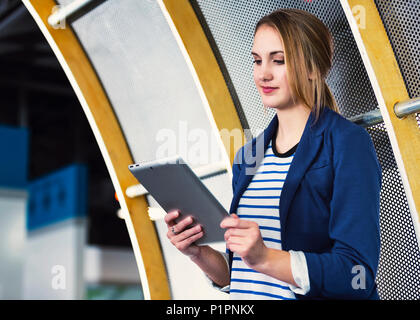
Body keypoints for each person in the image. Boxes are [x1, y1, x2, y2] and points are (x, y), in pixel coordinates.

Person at [164, 8, 382, 300]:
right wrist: (199, 253)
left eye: (278, 60)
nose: (263, 73)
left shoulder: (347, 143)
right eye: (257, 60)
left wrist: (266, 258)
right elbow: (244, 274)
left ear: (313, 68)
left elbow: (357, 275)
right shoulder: (248, 156)